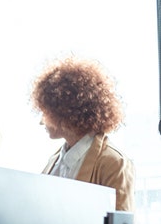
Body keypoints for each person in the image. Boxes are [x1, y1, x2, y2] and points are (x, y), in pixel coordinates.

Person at [31, 56, 134, 211]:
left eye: (46, 112)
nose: (41, 121)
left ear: (66, 112)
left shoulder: (114, 163)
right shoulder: (54, 160)